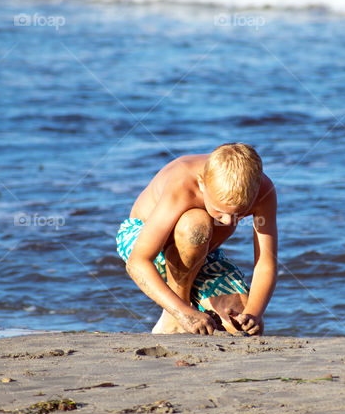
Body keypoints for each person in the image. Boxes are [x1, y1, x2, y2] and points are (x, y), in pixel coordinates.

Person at [116, 143, 277, 335]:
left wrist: (253, 313)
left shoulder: (263, 191)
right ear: (201, 183)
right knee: (196, 225)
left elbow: (265, 263)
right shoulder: (183, 183)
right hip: (142, 242)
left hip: (203, 253)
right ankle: (172, 318)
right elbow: (137, 262)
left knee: (245, 329)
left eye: (239, 214)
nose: (227, 222)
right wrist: (183, 313)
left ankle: (193, 301)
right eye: (220, 212)